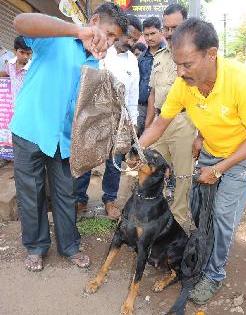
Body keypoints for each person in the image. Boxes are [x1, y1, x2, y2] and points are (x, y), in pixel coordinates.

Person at [136, 18, 246, 304]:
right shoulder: (185, 84)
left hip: (244, 156)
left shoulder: (241, 80)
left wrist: (219, 169)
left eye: (187, 64)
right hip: (210, 150)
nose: (180, 73)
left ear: (211, 54)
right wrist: (136, 148)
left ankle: (214, 275)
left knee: (222, 215)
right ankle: (199, 255)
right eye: (177, 65)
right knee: (199, 212)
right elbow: (160, 123)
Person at [11, 3, 128, 272]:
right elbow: (20, 21)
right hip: (30, 129)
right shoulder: (58, 38)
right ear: (94, 20)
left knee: (66, 193)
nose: (108, 43)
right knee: (31, 192)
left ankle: (70, 246)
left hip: (63, 140)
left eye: (113, 40)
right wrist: (77, 30)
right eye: (108, 34)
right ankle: (36, 247)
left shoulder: (96, 63)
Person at [75, 32, 139, 219]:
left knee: (115, 162)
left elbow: (133, 94)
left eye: (135, 39)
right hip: (95, 116)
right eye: (130, 37)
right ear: (121, 35)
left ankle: (110, 200)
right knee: (87, 157)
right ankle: (80, 199)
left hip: (119, 119)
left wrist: (132, 122)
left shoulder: (132, 61)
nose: (132, 42)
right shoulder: (102, 54)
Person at [145, 4, 195, 230]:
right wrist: (147, 126)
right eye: (166, 27)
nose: (169, 32)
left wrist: (200, 135)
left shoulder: (195, 55)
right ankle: (157, 224)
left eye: (175, 27)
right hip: (159, 123)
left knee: (183, 178)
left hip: (184, 122)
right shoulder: (159, 56)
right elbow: (153, 94)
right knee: (154, 173)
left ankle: (179, 229)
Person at [137, 16, 164, 137]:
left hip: (161, 109)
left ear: (161, 32)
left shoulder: (170, 55)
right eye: (146, 35)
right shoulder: (141, 58)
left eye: (153, 33)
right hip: (141, 108)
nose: (149, 38)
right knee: (138, 140)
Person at [2, 36, 32, 103]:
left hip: (28, 104)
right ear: (15, 51)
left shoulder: (33, 68)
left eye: (28, 53)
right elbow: (5, 73)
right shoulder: (10, 64)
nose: (25, 56)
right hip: (14, 104)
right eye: (22, 52)